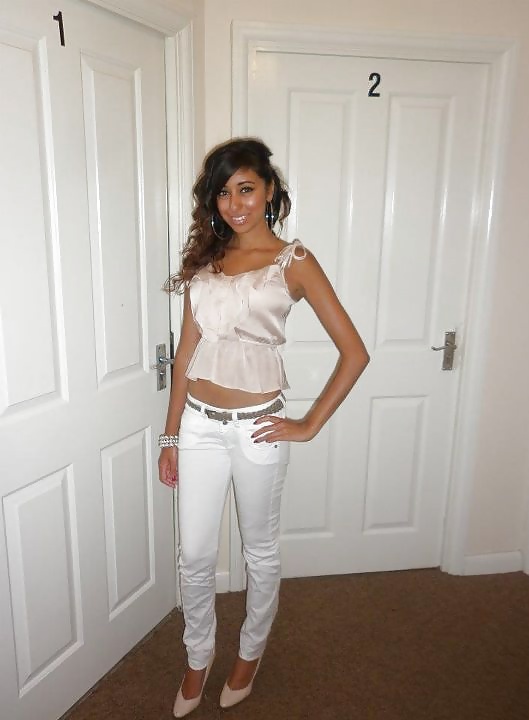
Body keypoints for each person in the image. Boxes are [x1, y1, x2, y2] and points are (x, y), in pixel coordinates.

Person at [158, 137, 370, 717]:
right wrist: (171, 435)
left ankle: (249, 654)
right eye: (223, 193)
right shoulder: (206, 262)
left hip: (258, 428)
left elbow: (354, 352)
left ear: (270, 189)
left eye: (246, 189)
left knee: (259, 551)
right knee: (193, 554)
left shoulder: (292, 261)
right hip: (199, 426)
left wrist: (308, 424)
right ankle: (198, 656)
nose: (235, 204)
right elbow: (185, 355)